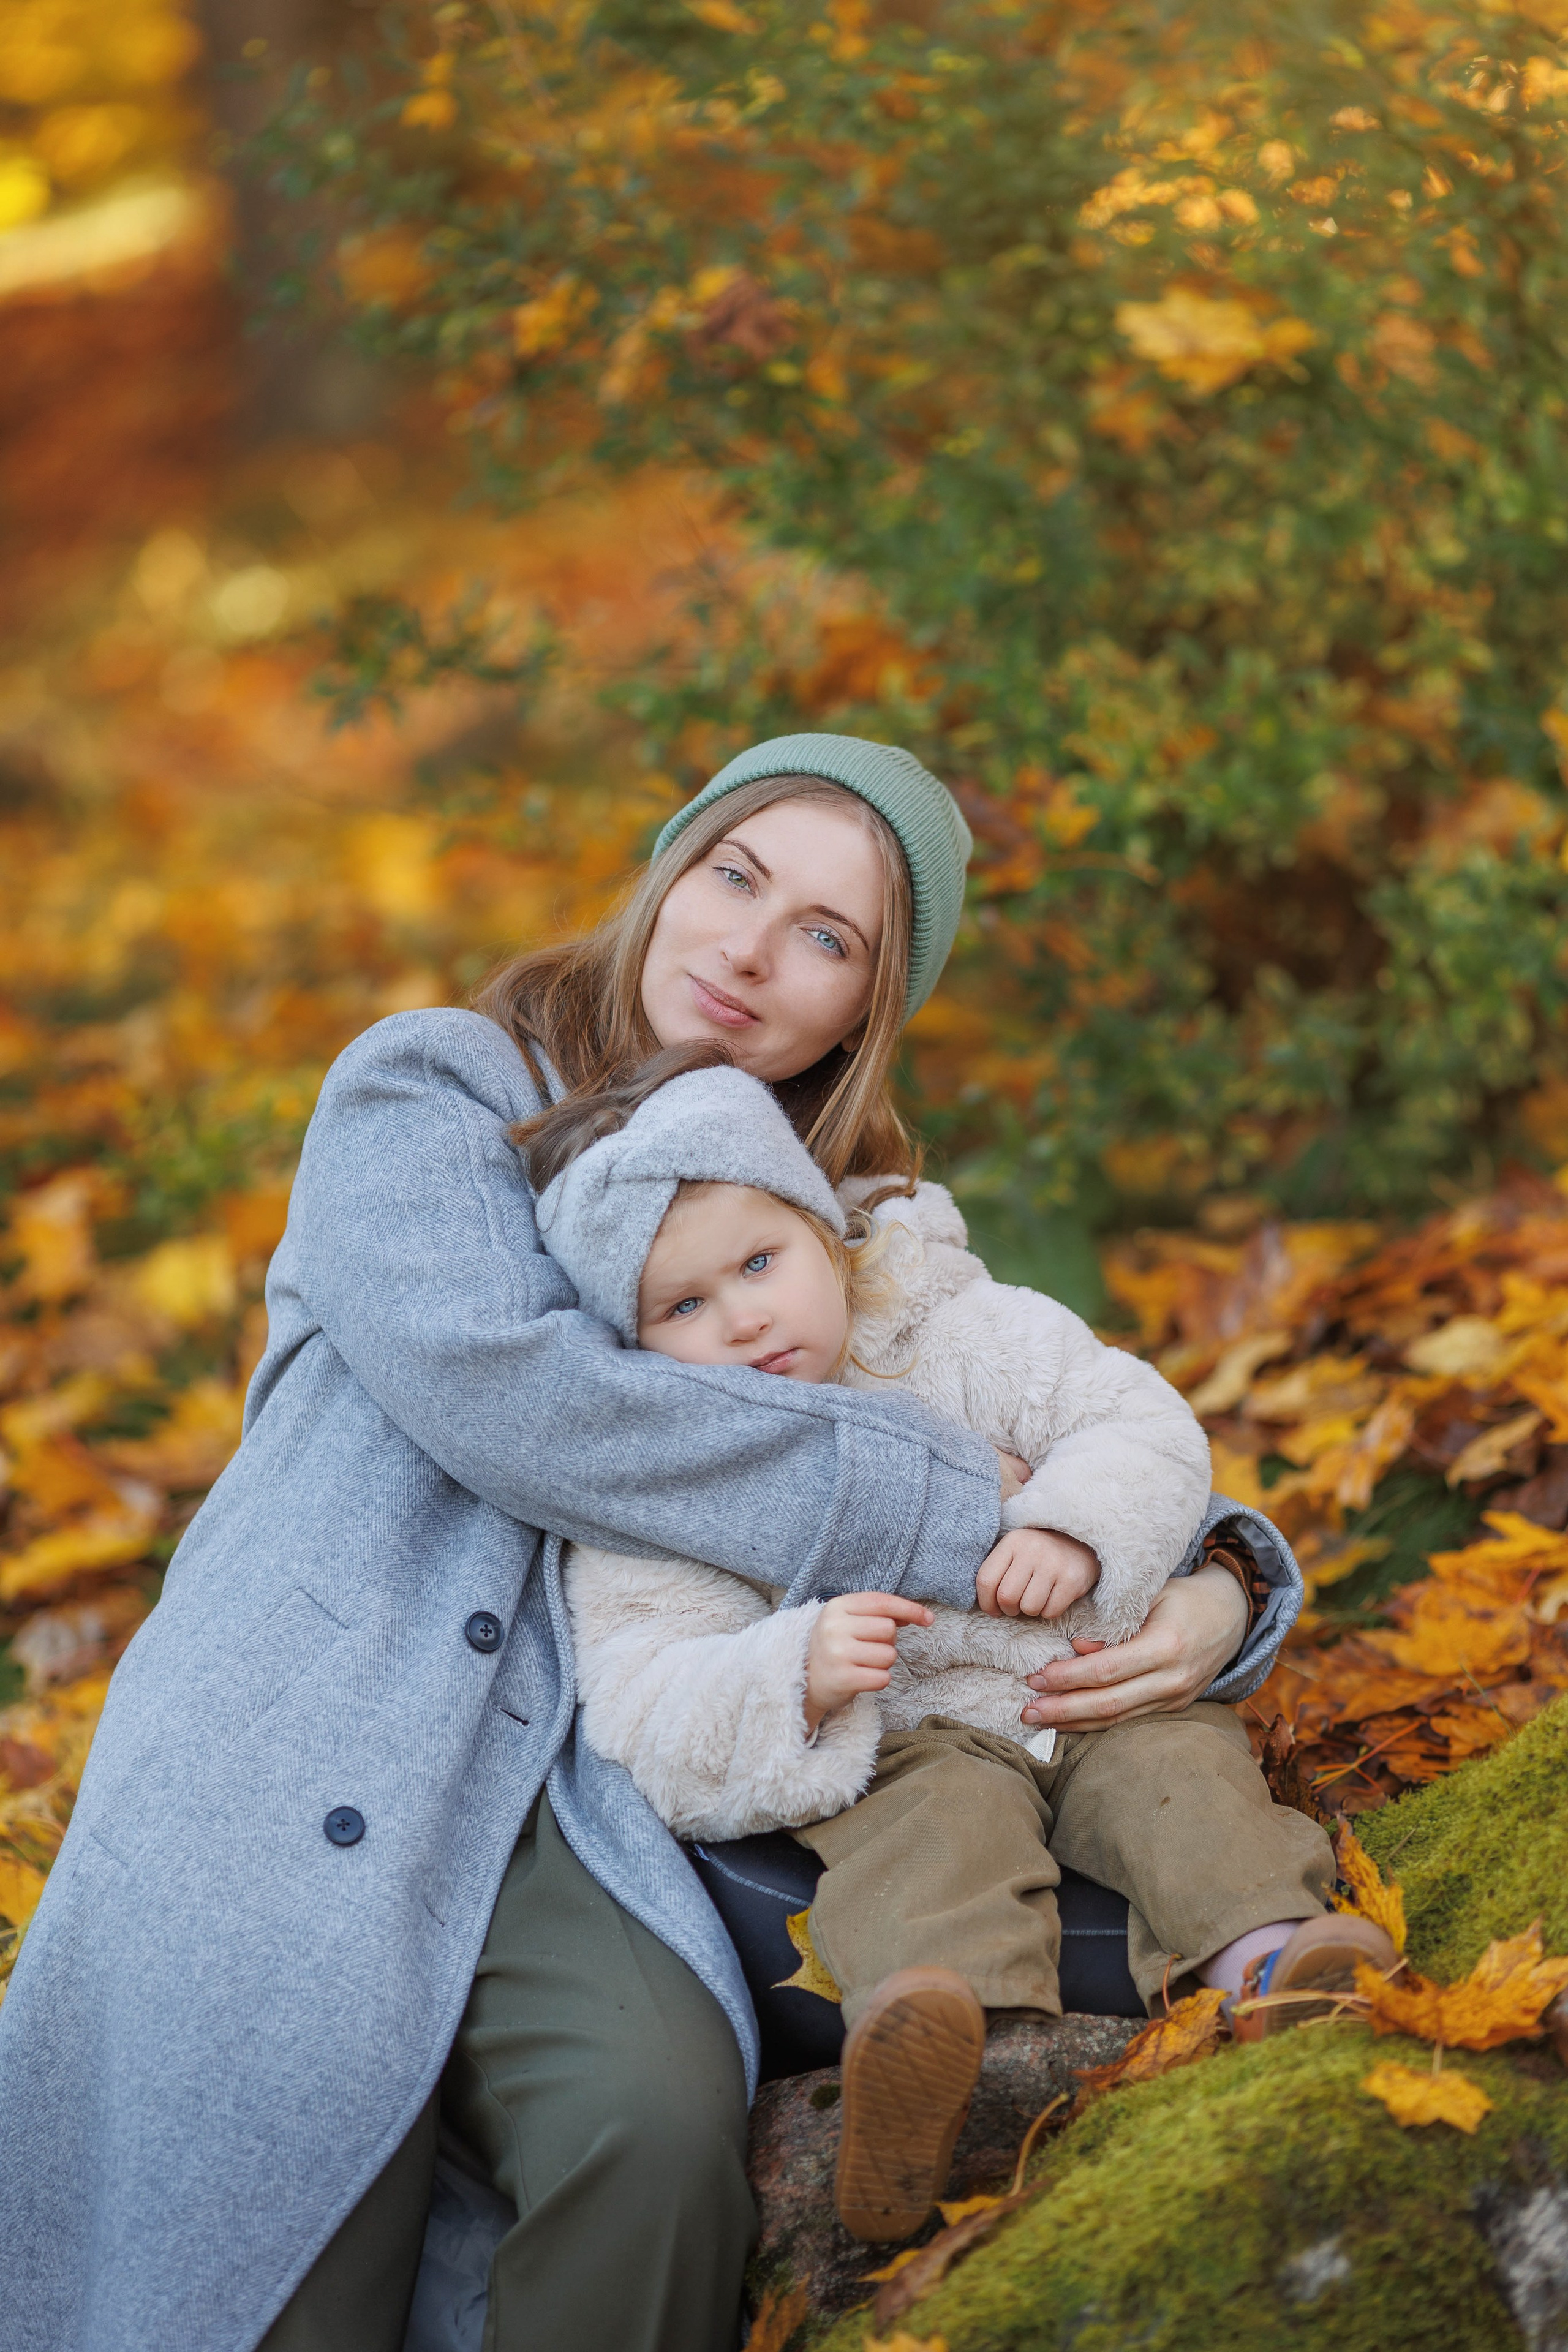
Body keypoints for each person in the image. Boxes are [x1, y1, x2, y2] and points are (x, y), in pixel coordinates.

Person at [0, 734, 1291, 2352]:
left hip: (592, 1796)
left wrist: (1214, 1578)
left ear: (862, 1011)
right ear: (671, 872)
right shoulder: (432, 1089)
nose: (749, 948)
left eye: (824, 936)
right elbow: (527, 1400)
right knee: (276, 2230)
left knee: (655, 2139)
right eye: (734, 876)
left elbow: (1024, 1383)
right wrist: (975, 1508)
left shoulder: (828, 1213)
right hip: (315, 1731)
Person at [529, 1054, 1396, 2242]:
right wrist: (791, 1672)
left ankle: (1272, 1961)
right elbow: (644, 1690)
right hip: (914, 1738)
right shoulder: (666, 1481)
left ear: (823, 1231)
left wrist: (1075, 1528)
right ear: (627, 1351)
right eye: (682, 1309)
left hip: (1096, 1689)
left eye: (759, 1263)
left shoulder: (964, 1333)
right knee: (924, 1838)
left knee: (1182, 1784)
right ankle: (944, 2056)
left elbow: (1134, 1420)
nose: (742, 1318)